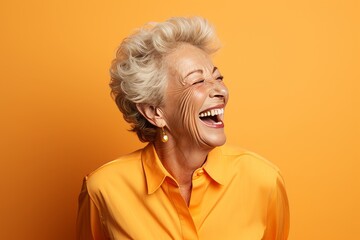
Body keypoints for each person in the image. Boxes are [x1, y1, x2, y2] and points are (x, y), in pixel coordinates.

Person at [76, 16, 290, 240]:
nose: (221, 91)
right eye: (198, 81)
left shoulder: (262, 180)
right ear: (154, 111)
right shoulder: (103, 190)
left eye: (218, 78)